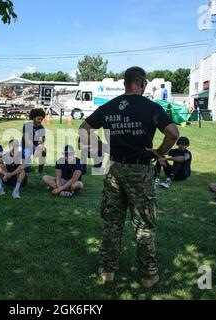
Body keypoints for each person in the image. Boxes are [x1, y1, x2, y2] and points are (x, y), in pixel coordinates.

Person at [79, 66, 179, 288]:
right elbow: (173, 133)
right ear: (142, 83)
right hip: (140, 171)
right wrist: (160, 152)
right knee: (144, 223)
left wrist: (103, 148)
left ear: (125, 83)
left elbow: (84, 129)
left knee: (112, 223)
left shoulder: (110, 106)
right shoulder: (151, 107)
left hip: (114, 169)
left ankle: (107, 272)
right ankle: (149, 275)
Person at [22, 108, 47, 174]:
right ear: (33, 118)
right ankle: (26, 163)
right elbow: (26, 139)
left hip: (34, 147)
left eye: (41, 119)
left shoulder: (41, 128)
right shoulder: (27, 125)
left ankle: (41, 169)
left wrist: (40, 144)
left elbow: (41, 141)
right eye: (38, 119)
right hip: (26, 147)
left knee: (44, 150)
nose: (40, 121)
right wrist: (35, 148)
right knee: (27, 169)